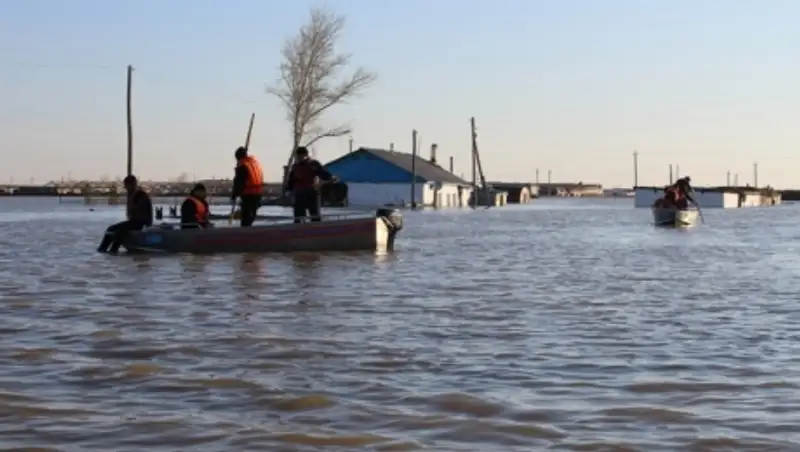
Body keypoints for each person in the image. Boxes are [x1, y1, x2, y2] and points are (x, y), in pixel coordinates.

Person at [97, 175, 153, 253]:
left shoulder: (140, 195)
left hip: (142, 222)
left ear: (132, 184)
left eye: (127, 185)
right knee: (110, 229)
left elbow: (140, 213)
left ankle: (113, 250)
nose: (126, 188)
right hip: (134, 221)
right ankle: (102, 249)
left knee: (121, 230)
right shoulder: (132, 195)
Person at [284, 146, 338, 223]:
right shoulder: (295, 167)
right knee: (299, 216)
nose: (299, 158)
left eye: (300, 156)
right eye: (298, 157)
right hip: (300, 194)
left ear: (305, 155)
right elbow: (291, 181)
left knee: (315, 215)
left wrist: (331, 177)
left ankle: (315, 231)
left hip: (312, 193)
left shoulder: (313, 164)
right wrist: (288, 190)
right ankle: (299, 230)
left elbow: (323, 173)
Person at [231, 146, 263, 227]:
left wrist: (234, 194)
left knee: (246, 217)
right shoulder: (255, 163)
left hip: (248, 194)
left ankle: (244, 232)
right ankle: (248, 230)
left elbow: (239, 182)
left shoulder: (243, 166)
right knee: (251, 215)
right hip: (258, 193)